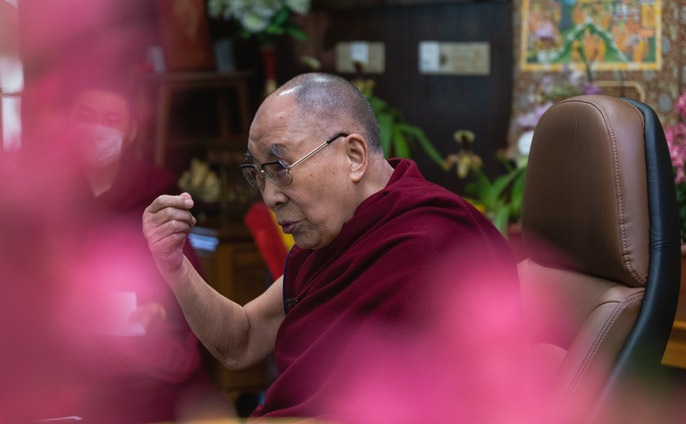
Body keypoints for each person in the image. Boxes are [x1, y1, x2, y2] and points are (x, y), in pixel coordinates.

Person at [143, 72, 523, 421]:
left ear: (354, 156)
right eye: (258, 175)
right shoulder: (332, 237)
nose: (270, 197)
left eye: (279, 168)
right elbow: (240, 342)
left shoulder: (431, 244)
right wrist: (176, 268)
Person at [45, 77, 234, 423]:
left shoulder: (152, 193)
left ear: (131, 132)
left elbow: (184, 280)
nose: (97, 130)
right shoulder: (44, 197)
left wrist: (159, 311)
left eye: (112, 121)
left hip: (141, 352)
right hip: (66, 350)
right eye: (86, 116)